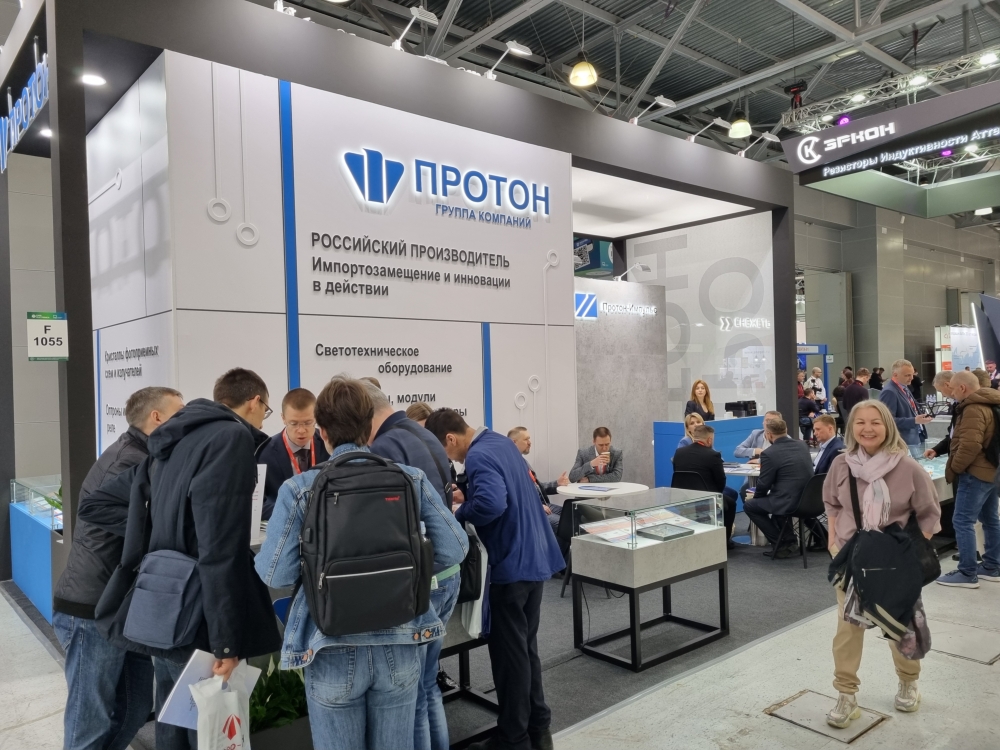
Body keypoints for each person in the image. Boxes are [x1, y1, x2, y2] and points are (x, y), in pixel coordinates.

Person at [256, 378, 467, 750]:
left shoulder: (300, 489)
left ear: (322, 432)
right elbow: (454, 548)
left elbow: (276, 573)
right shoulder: (409, 478)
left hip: (331, 647)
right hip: (400, 640)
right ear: (370, 426)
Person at [85, 368, 283, 750]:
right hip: (200, 615)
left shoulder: (173, 439)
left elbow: (101, 501)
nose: (263, 420)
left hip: (163, 604)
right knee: (207, 731)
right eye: (266, 411)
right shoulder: (230, 438)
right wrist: (227, 645)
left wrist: (155, 536)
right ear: (255, 402)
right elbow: (220, 549)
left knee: (172, 722)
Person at [52, 387, 184, 750]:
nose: (186, 419)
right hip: (92, 610)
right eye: (180, 411)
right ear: (157, 417)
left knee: (134, 708)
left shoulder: (146, 456)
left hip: (123, 610)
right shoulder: (129, 462)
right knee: (89, 723)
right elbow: (136, 525)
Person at [425, 409, 564, 750]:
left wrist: (460, 512)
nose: (449, 459)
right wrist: (467, 491)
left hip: (510, 566)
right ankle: (538, 729)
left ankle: (513, 738)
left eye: (444, 451)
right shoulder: (500, 442)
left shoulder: (478, 455)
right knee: (525, 649)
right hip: (534, 558)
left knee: (509, 658)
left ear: (450, 439)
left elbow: (491, 503)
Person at [363, 381, 468, 750]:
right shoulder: (424, 435)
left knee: (413, 695)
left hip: (424, 579)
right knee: (427, 685)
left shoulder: (385, 447)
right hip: (447, 573)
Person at [822, 399, 940, 728]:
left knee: (899, 626)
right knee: (847, 629)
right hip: (852, 559)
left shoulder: (908, 467)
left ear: (887, 426)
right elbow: (832, 504)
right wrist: (833, 542)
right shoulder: (841, 464)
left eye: (875, 422)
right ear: (851, 428)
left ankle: (908, 681)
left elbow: (929, 513)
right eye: (860, 422)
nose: (868, 429)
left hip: (893, 564)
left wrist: (909, 553)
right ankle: (846, 694)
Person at [936, 371, 1000, 588]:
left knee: (962, 521)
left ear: (962, 388)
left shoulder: (972, 408)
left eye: (953, 389)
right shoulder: (990, 403)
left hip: (975, 474)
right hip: (991, 471)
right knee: (990, 519)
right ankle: (992, 566)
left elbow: (970, 445)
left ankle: (967, 572)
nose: (952, 393)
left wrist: (954, 468)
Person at [742, 418, 815, 558]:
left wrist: (757, 497)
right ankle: (789, 540)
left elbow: (764, 484)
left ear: (769, 434)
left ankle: (780, 543)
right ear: (786, 430)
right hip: (809, 499)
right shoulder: (802, 445)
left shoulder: (769, 453)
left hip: (787, 502)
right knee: (775, 503)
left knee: (750, 506)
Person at [257, 388, 330, 521]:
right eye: (294, 423)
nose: (301, 430)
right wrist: (296, 509)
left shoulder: (329, 444)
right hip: (286, 523)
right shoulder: (265, 452)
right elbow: (258, 505)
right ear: (283, 418)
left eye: (308, 423)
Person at [671, 424, 738, 547]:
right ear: (709, 440)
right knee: (731, 503)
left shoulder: (679, 452)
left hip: (683, 497)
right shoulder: (713, 455)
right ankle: (725, 542)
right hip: (706, 498)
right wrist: (716, 496)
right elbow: (721, 481)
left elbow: (677, 473)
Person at [508, 426, 568, 534]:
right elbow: (515, 495)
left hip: (542, 504)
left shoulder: (523, 462)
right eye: (526, 439)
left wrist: (557, 483)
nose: (530, 442)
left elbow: (536, 487)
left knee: (571, 515)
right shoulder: (509, 465)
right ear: (514, 442)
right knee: (566, 525)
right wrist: (536, 505)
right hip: (531, 509)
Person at [879, 360, 933, 454]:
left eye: (912, 374)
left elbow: (911, 410)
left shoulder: (904, 387)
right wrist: (914, 421)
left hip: (915, 439)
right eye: (907, 375)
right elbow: (887, 421)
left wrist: (921, 418)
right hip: (903, 443)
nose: (911, 378)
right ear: (895, 375)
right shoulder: (889, 392)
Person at [924, 371, 955, 459]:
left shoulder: (967, 406)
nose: (943, 396)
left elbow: (968, 442)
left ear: (947, 385)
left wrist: (956, 464)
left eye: (940, 391)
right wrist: (937, 450)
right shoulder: (957, 405)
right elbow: (953, 435)